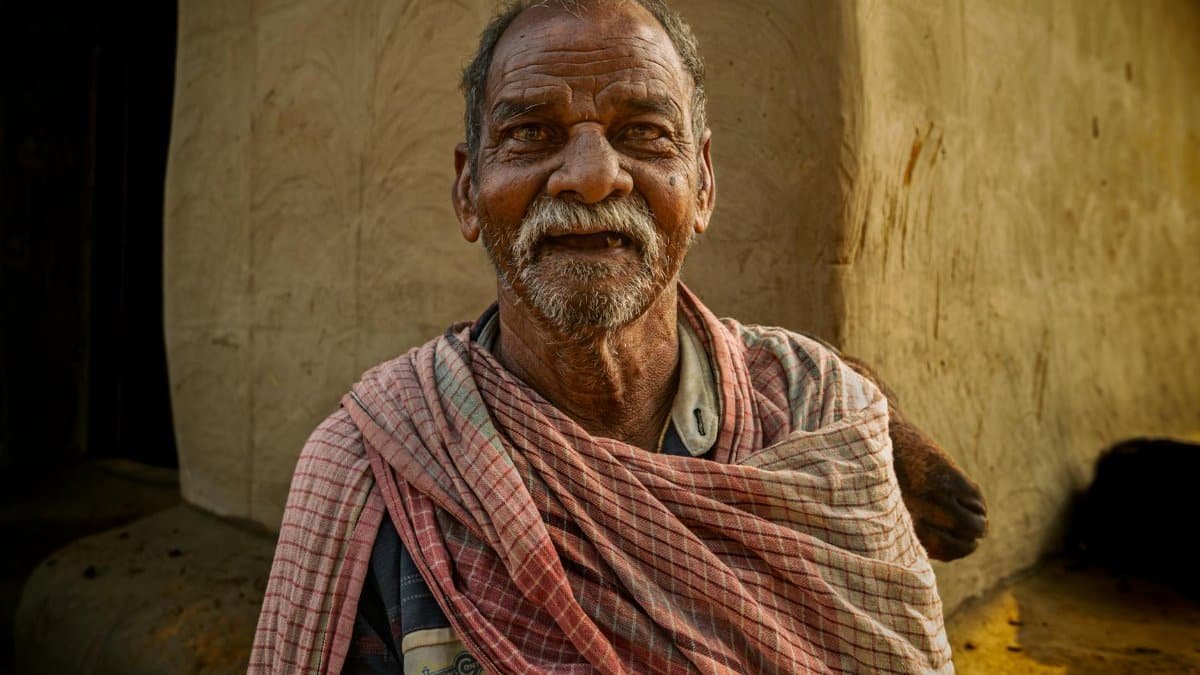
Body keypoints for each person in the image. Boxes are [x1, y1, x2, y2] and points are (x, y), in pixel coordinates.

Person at [251, 1, 956, 672]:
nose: (591, 177)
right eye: (530, 132)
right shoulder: (368, 472)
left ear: (702, 184)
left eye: (643, 131)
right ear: (468, 191)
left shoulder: (821, 418)